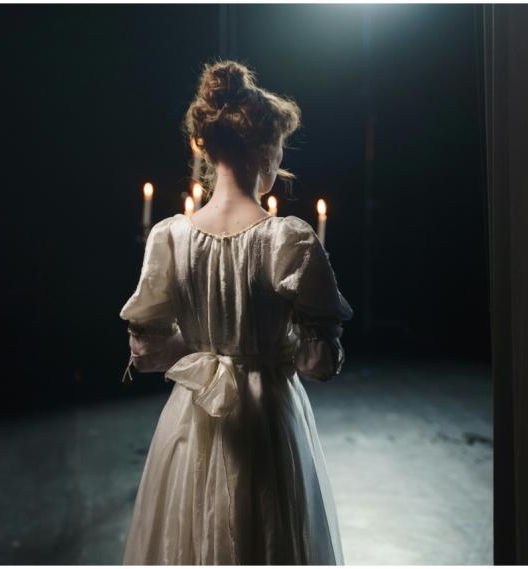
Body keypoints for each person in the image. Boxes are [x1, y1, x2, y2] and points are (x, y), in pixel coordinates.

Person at [119, 59, 354, 565]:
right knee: (266, 534)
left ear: (201, 148)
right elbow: (320, 363)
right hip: (268, 417)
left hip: (192, 417)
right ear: (267, 150)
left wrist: (206, 349)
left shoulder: (170, 237)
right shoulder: (287, 238)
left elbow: (146, 351)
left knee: (191, 535)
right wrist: (269, 346)